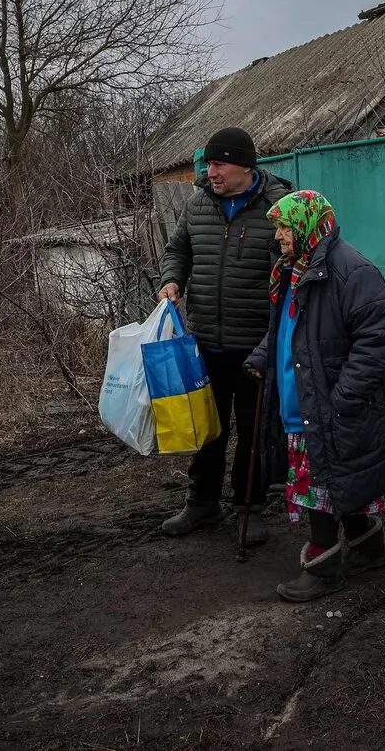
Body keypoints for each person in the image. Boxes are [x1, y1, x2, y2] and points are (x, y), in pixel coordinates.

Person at [245, 190, 385, 602]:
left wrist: (343, 397)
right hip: (304, 399)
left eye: (284, 226)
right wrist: (263, 357)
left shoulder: (350, 271)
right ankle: (369, 549)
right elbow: (288, 329)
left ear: (307, 224)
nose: (279, 235)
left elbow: (378, 338)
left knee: (319, 484)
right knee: (340, 480)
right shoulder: (294, 269)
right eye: (278, 227)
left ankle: (323, 568)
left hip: (328, 404)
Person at [157, 127, 293, 545]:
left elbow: (293, 265)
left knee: (254, 429)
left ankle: (250, 507)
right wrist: (172, 280)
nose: (209, 172)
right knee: (208, 426)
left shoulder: (277, 206)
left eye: (219, 164)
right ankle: (202, 503)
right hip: (206, 341)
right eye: (209, 164)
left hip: (255, 344)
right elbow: (177, 249)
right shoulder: (198, 205)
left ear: (244, 165)